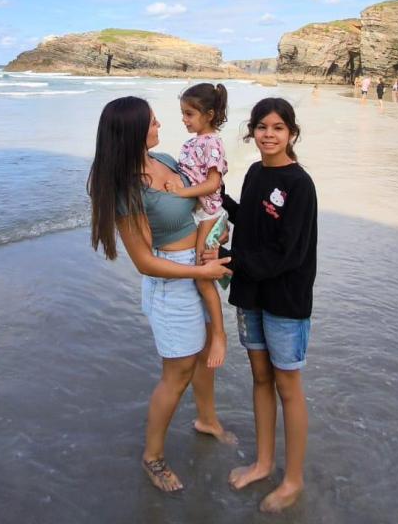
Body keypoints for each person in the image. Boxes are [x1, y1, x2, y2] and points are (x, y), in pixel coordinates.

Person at [88, 96, 235, 494]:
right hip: (173, 283)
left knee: (205, 356)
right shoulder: (128, 188)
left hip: (198, 267)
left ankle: (207, 419)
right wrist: (198, 270)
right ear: (133, 131)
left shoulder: (168, 161)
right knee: (178, 373)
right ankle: (152, 456)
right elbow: (145, 262)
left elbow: (208, 198)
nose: (160, 127)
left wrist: (214, 246)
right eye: (152, 123)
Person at [207, 97, 318, 513]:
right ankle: (264, 462)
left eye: (277, 128)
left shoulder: (299, 185)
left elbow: (289, 253)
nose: (268, 135)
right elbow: (248, 220)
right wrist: (215, 195)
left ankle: (292, 480)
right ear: (251, 131)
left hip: (285, 299)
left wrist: (229, 261)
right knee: (259, 377)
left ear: (291, 133)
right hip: (251, 293)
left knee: (287, 386)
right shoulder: (254, 173)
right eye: (261, 127)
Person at [163, 83, 230, 368]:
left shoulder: (212, 143)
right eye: (183, 113)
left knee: (203, 274)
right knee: (199, 273)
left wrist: (180, 193)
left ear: (210, 114)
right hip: (197, 213)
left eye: (190, 114)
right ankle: (204, 325)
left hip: (208, 214)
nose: (184, 119)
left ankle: (218, 334)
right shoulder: (190, 144)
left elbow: (214, 183)